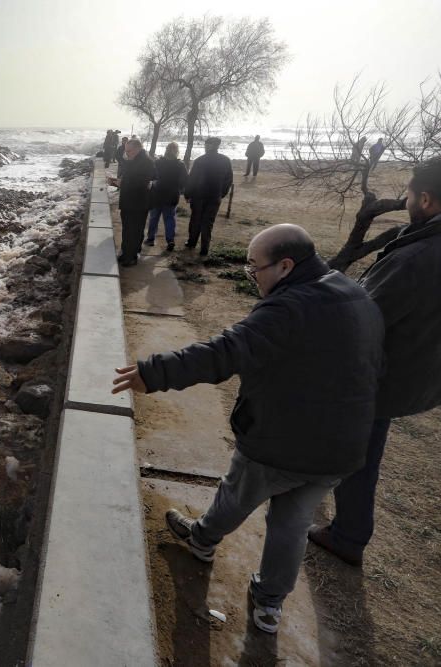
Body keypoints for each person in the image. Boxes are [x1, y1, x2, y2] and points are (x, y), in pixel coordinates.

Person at [112, 224, 384, 634]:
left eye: (255, 267)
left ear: (286, 265)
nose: (251, 275)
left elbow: (227, 351)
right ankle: (269, 604)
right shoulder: (353, 292)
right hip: (342, 446)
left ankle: (202, 541)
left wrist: (154, 372)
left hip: (282, 440)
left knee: (239, 492)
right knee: (292, 523)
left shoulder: (289, 308)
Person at [309, 157, 441, 566]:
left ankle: (349, 534)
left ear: (425, 198)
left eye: (407, 194)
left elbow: (364, 316)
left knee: (359, 452)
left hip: (385, 371)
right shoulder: (420, 242)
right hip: (418, 365)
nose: (404, 201)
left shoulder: (416, 258)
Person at [108, 138, 156, 267]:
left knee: (134, 230)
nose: (127, 153)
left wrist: (121, 183)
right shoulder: (134, 160)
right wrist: (116, 181)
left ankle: (131, 257)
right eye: (126, 151)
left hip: (138, 203)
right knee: (127, 229)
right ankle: (125, 253)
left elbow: (142, 184)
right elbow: (131, 178)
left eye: (129, 151)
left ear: (138, 148)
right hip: (130, 202)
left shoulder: (146, 162)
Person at [184, 136, 233, 256]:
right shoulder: (225, 160)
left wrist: (187, 194)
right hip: (214, 196)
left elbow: (192, 179)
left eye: (206, 144)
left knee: (196, 220)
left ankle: (192, 243)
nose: (205, 146)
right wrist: (221, 194)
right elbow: (228, 180)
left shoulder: (200, 160)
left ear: (210, 145)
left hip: (199, 196)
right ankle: (204, 248)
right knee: (208, 222)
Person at [144, 141, 187, 251]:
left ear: (166, 150)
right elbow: (184, 182)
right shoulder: (180, 165)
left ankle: (150, 239)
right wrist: (181, 190)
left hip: (157, 194)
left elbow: (151, 176)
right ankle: (170, 240)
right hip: (172, 195)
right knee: (169, 219)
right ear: (177, 152)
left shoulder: (158, 162)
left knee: (154, 217)